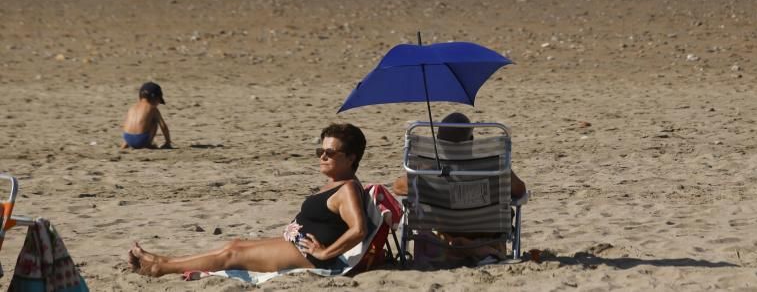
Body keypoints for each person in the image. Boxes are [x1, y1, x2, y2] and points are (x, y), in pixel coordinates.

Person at [128, 123, 368, 277]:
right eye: (320, 152)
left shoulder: (347, 189)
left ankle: (160, 268)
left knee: (232, 256)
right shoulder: (336, 182)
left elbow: (358, 230)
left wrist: (325, 254)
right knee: (234, 245)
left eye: (330, 153)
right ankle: (163, 259)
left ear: (351, 158)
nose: (322, 157)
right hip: (297, 246)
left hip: (308, 257)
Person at [390, 112, 526, 199]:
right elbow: (519, 191)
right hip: (483, 231)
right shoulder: (492, 165)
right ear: (471, 140)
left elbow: (398, 187)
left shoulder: (426, 168)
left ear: (438, 140)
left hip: (441, 232)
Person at [121, 82, 172, 149]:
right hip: (142, 140)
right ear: (154, 97)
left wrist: (127, 140)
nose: (158, 104)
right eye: (158, 101)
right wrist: (168, 142)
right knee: (154, 122)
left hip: (127, 137)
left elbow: (125, 124)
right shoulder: (153, 108)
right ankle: (148, 144)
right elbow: (163, 126)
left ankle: (125, 144)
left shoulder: (132, 108)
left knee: (132, 122)